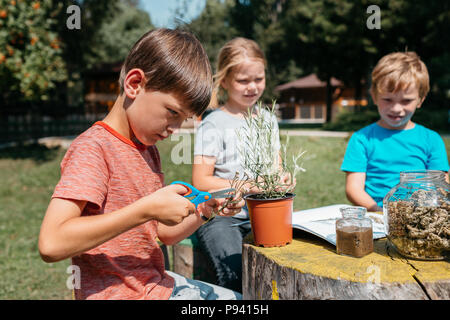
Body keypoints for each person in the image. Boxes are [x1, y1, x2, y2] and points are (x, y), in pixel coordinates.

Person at [38, 28, 245, 300]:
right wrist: (145, 209)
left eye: (183, 119)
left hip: (157, 287)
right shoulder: (94, 148)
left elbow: (162, 234)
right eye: (172, 112)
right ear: (135, 84)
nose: (175, 128)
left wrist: (204, 211)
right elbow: (51, 243)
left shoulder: (147, 150)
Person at [192, 37, 291, 292]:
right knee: (236, 276)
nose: (252, 87)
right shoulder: (214, 123)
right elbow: (201, 180)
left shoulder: (268, 119)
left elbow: (275, 168)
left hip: (266, 209)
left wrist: (282, 177)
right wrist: (247, 186)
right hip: (224, 215)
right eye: (243, 81)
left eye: (258, 79)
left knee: (282, 271)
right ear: (224, 80)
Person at [341, 51, 449, 211]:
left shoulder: (431, 140)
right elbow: (353, 189)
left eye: (406, 101)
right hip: (376, 215)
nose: (396, 108)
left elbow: (442, 186)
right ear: (374, 96)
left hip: (421, 215)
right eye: (387, 99)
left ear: (421, 100)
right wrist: (380, 212)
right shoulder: (361, 139)